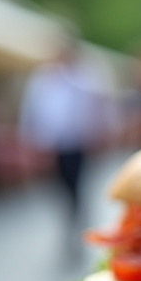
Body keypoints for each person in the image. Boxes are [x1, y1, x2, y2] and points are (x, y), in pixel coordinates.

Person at [18, 37, 106, 222]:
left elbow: (95, 107)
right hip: (51, 145)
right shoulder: (42, 79)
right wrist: (30, 141)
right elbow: (31, 111)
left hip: (77, 142)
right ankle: (72, 213)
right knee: (58, 184)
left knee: (76, 182)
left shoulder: (83, 77)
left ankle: (76, 215)